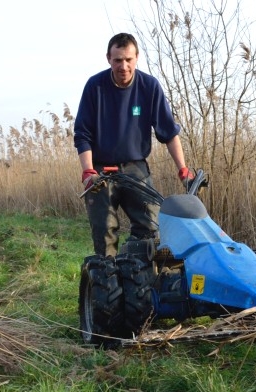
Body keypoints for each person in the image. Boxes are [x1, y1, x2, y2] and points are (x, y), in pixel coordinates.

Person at [74, 32, 192, 258]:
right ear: (108, 58)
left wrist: (183, 170)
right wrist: (88, 170)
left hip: (135, 167)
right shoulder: (94, 87)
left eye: (128, 59)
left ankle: (136, 275)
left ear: (137, 58)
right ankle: (107, 281)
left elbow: (168, 132)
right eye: (118, 60)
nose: (123, 66)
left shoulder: (149, 87)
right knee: (104, 230)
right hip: (100, 170)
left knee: (150, 225)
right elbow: (82, 134)